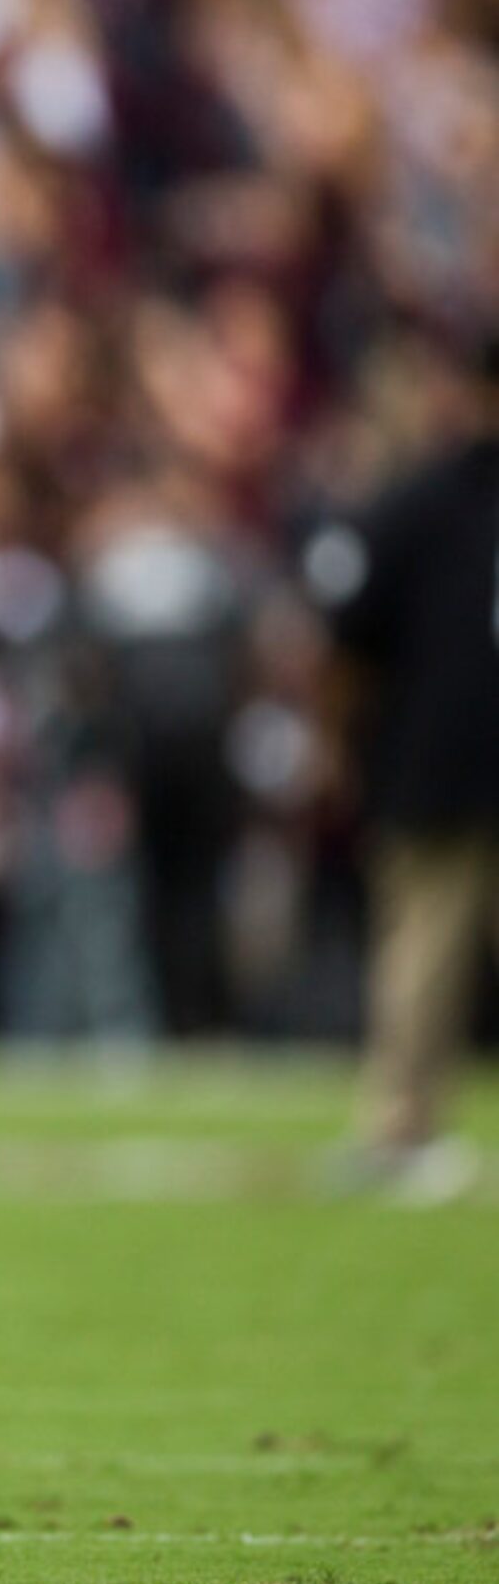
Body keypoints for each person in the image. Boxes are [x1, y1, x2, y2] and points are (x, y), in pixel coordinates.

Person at [312, 336, 499, 1205]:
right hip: (443, 761)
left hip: (437, 757)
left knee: (421, 950)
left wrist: (338, 747)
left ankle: (399, 1121)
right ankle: (397, 1123)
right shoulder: (420, 501)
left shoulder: (417, 500)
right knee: (424, 943)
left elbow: (344, 649)